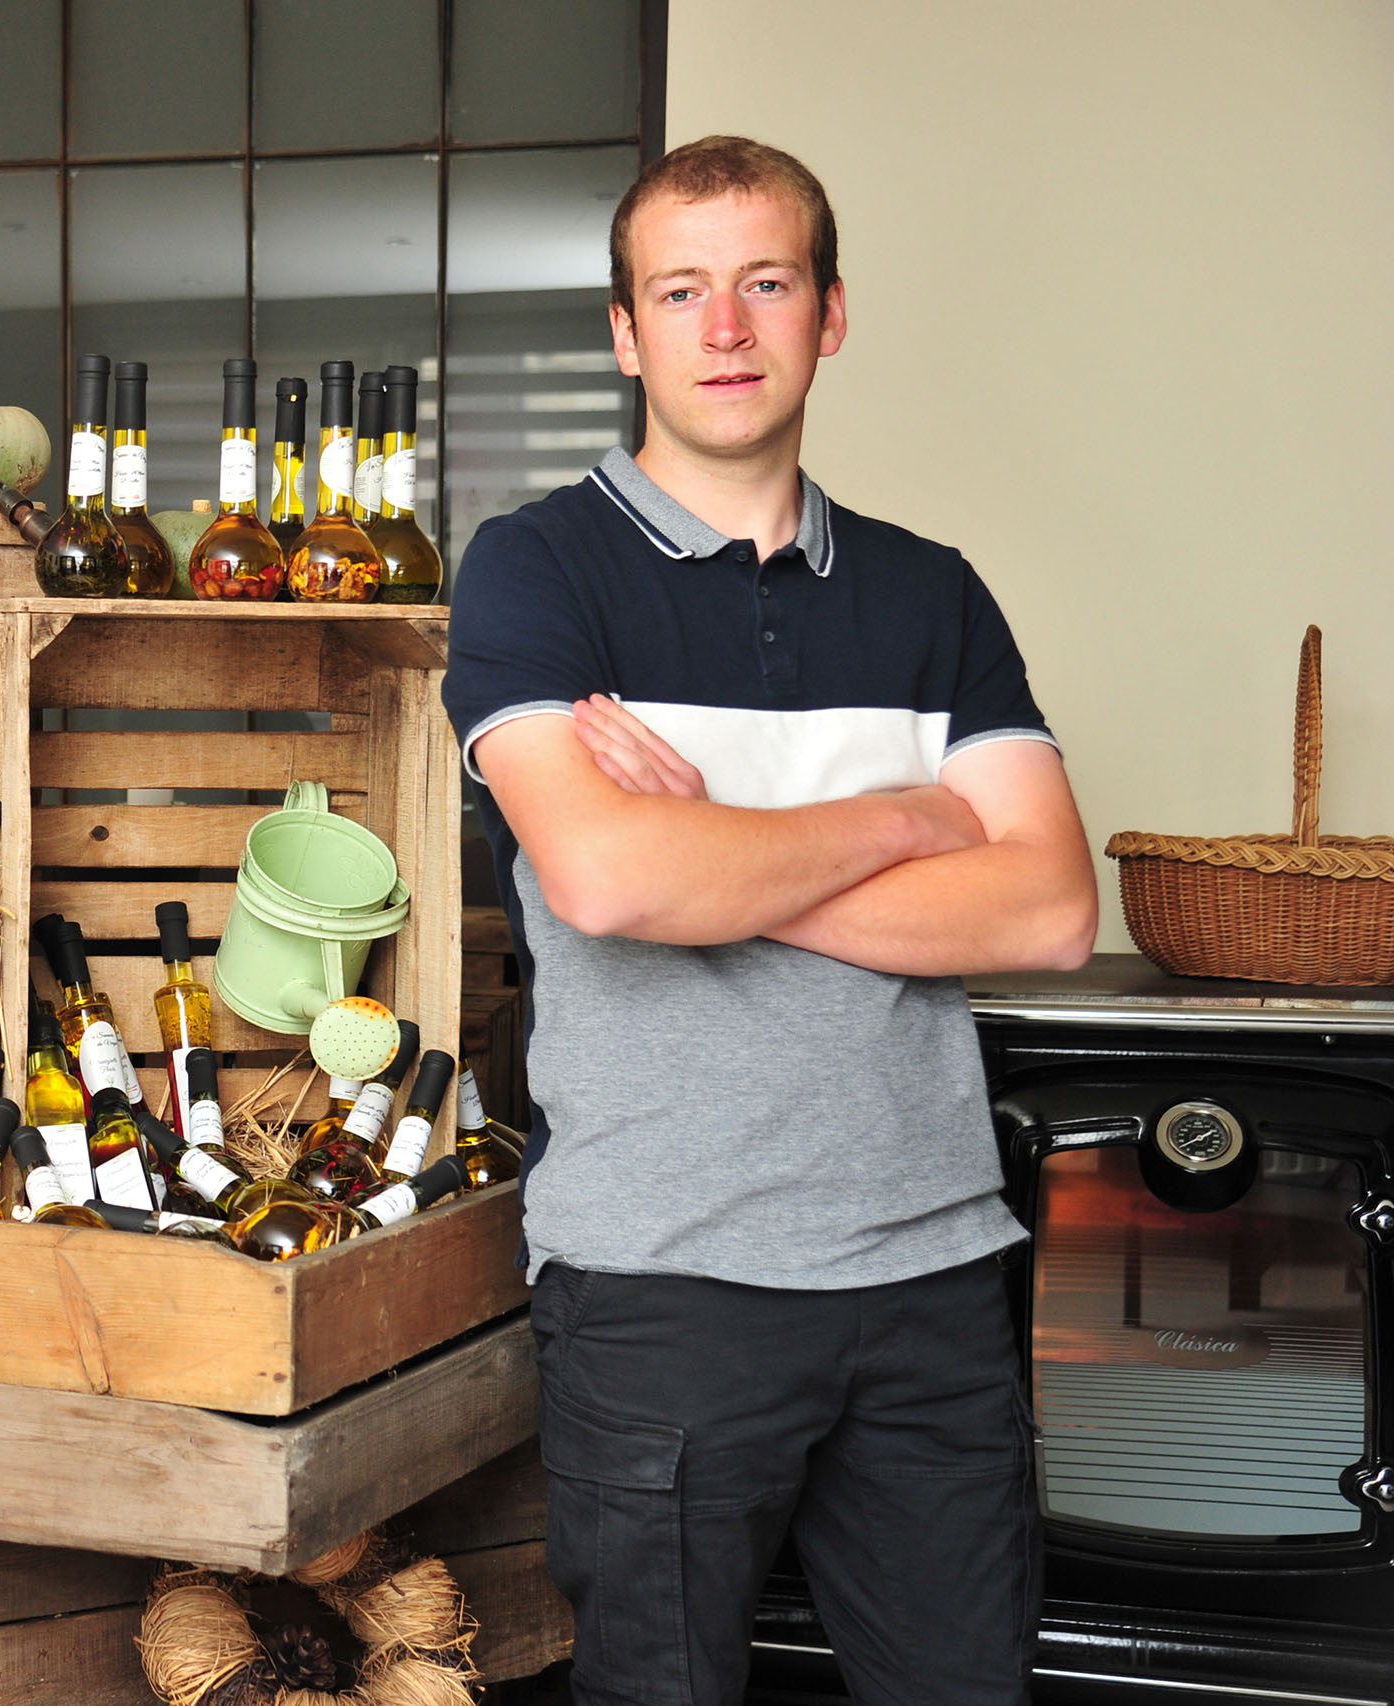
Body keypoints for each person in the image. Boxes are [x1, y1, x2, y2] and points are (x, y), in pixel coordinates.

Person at [442, 137, 1096, 1704]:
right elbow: (609, 884)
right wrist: (907, 815)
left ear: (831, 314)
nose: (724, 327)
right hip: (667, 1282)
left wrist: (712, 852)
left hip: (933, 1273)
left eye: (765, 284)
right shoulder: (537, 569)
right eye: (681, 291)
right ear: (625, 332)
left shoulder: (930, 592)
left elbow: (1055, 906)